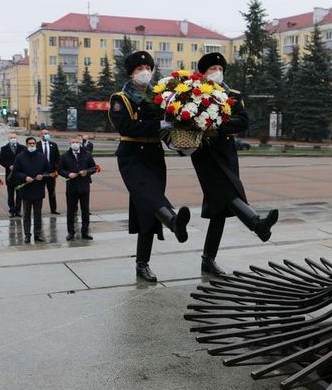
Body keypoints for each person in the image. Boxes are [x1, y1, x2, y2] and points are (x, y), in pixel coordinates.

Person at [191, 52, 279, 278]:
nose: (217, 73)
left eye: (220, 69)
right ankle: (256, 223)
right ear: (204, 73)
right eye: (212, 69)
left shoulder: (233, 94)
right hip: (205, 153)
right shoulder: (194, 95)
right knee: (228, 192)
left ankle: (207, 260)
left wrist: (216, 126)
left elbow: (243, 121)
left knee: (218, 209)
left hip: (227, 152)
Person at [109, 50, 190, 283]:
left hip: (154, 155)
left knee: (147, 209)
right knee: (149, 194)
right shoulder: (120, 99)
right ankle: (174, 222)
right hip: (131, 156)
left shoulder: (161, 98)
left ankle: (142, 264)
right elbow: (127, 127)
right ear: (131, 74)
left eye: (147, 69)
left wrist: (179, 144)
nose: (144, 72)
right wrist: (159, 124)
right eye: (138, 70)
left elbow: (164, 130)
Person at [58, 135, 97, 240]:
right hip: (71, 187)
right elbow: (60, 170)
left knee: (85, 210)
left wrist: (87, 172)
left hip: (84, 186)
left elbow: (94, 168)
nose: (75, 144)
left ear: (80, 143)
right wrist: (68, 174)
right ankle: (71, 232)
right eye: (73, 142)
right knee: (70, 211)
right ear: (69, 144)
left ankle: (85, 232)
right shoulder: (65, 156)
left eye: (77, 142)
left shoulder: (87, 154)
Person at [14, 137, 50, 243]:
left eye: (33, 143)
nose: (32, 145)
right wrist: (25, 177)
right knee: (27, 214)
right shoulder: (20, 157)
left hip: (38, 189)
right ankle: (27, 235)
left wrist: (42, 175)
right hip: (26, 190)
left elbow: (48, 170)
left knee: (38, 214)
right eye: (30, 143)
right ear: (26, 144)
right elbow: (16, 172)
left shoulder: (42, 157)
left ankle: (37, 234)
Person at [0, 133, 26, 218]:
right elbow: (1, 160)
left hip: (19, 176)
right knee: (10, 195)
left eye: (14, 137)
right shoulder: (4, 148)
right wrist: (9, 166)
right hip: (10, 176)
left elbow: (25, 159)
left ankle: (18, 210)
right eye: (11, 138)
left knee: (19, 195)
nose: (13, 139)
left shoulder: (22, 148)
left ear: (17, 138)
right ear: (8, 139)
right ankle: (12, 210)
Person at [38, 129, 60, 214]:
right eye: (44, 133)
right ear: (41, 134)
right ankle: (38, 209)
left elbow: (57, 159)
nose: (46, 135)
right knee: (39, 192)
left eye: (47, 133)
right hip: (40, 173)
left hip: (51, 173)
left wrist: (57, 170)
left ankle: (53, 209)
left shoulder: (53, 145)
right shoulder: (37, 145)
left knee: (52, 191)